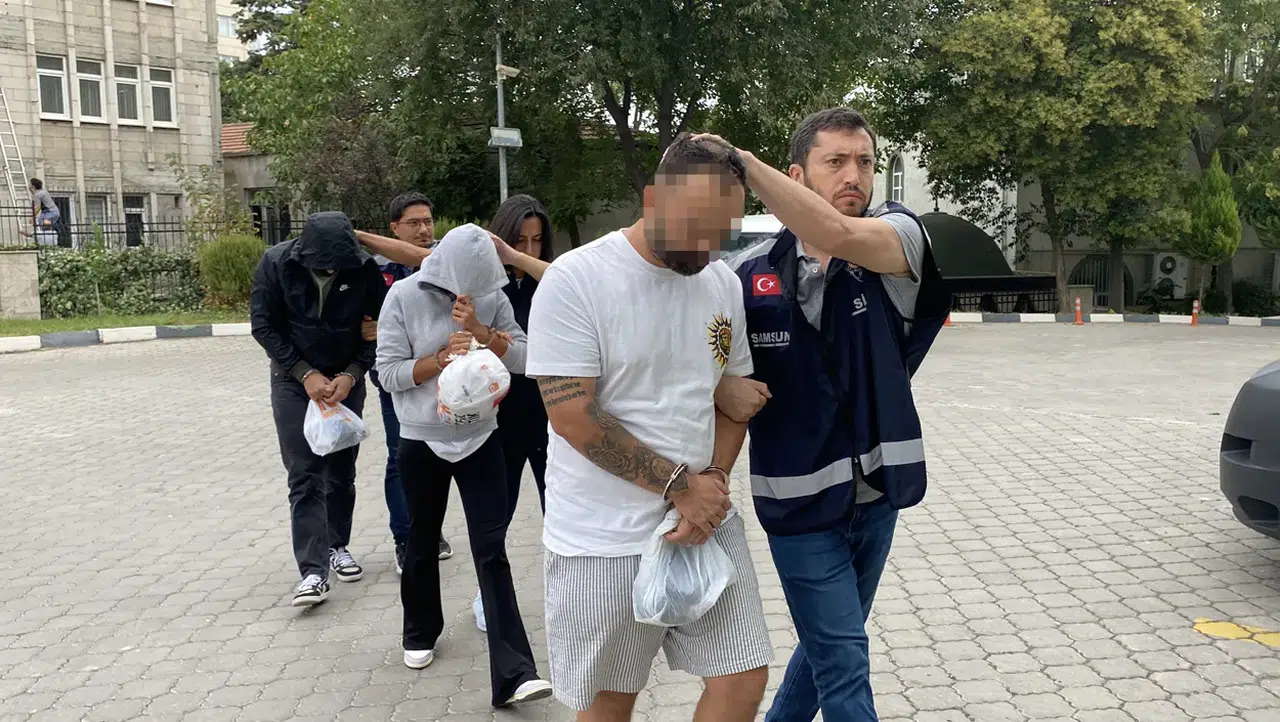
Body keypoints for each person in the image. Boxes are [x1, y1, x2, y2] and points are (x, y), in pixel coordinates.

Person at [706, 109, 950, 721]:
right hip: (797, 504)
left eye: (864, 162)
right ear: (796, 176)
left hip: (878, 497)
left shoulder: (898, 241)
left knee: (830, 649)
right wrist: (720, 390)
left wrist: (741, 162)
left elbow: (838, 233)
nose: (854, 176)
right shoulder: (746, 276)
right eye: (835, 162)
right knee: (842, 660)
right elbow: (683, 348)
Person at [525, 134, 773, 721]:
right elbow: (572, 415)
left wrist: (712, 484)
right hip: (602, 540)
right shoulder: (577, 279)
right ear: (653, 199)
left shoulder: (721, 283)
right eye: (699, 225)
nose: (711, 244)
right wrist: (679, 486)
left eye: (724, 230)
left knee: (743, 676)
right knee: (610, 703)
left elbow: (734, 400)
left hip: (702, 521)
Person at [374, 223, 553, 707]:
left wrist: (482, 332)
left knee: (491, 549)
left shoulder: (490, 297)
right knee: (421, 540)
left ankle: (516, 673)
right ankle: (420, 630)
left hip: (481, 439)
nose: (471, 293)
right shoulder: (404, 297)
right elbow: (387, 374)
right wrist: (438, 359)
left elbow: (526, 357)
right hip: (422, 440)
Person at [250, 211, 389, 607]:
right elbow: (263, 326)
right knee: (305, 473)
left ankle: (337, 545)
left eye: (338, 264)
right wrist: (304, 373)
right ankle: (312, 573)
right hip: (293, 381)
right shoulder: (276, 264)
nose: (332, 270)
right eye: (324, 265)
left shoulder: (363, 269)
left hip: (345, 381)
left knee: (341, 471)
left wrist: (352, 374)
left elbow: (378, 329)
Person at [465, 194, 554, 634]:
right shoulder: (483, 287)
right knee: (496, 515)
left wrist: (521, 260)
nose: (529, 248)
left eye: (537, 240)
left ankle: (571, 591)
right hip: (499, 416)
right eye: (520, 241)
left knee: (561, 512)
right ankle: (490, 594)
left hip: (553, 415)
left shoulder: (551, 280)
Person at [360, 192, 454, 572]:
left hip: (446, 377)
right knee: (400, 456)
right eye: (414, 223)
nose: (424, 230)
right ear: (394, 227)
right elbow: (363, 320)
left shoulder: (442, 257)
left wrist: (359, 234)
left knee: (439, 455)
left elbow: (422, 258)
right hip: (396, 379)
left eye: (428, 221)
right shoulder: (374, 269)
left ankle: (430, 529)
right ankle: (406, 538)